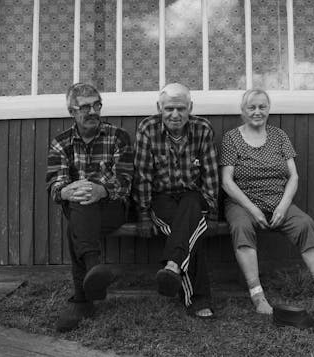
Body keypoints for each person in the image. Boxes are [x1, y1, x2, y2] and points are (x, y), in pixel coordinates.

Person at [220, 88, 314, 315]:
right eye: (251, 107)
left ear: (269, 109)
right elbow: (227, 182)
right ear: (243, 111)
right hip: (243, 203)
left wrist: (283, 206)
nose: (257, 111)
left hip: (277, 200)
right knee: (242, 227)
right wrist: (252, 210)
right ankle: (259, 297)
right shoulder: (231, 138)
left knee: (305, 224)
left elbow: (294, 176)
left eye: (262, 107)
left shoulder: (279, 136)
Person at [47, 83, 134, 332]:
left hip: (113, 208)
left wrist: (100, 190)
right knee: (80, 206)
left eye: (96, 105)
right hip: (80, 208)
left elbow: (125, 180)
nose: (93, 111)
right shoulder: (60, 143)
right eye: (85, 106)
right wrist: (70, 190)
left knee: (78, 213)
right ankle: (92, 274)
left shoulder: (118, 136)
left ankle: (82, 298)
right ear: (71, 111)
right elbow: (56, 185)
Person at [133, 83, 219, 319]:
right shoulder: (148, 129)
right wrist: (142, 215)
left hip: (192, 196)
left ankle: (173, 265)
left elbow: (210, 174)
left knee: (191, 208)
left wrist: (212, 213)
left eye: (181, 108)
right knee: (192, 230)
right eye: (169, 108)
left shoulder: (202, 128)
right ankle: (199, 298)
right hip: (161, 199)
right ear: (159, 107)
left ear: (190, 107)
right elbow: (142, 175)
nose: (175, 114)